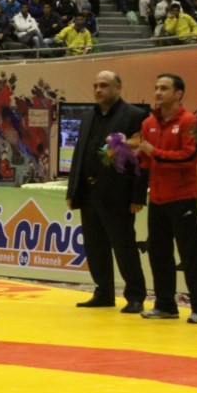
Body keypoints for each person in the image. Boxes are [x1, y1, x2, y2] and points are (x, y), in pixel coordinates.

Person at [66, 71, 148, 312]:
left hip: (118, 194)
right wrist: (72, 190)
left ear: (118, 88)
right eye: (95, 85)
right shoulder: (88, 116)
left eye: (104, 85)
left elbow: (141, 161)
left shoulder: (134, 115)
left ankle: (135, 296)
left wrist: (137, 196)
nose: (98, 90)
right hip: (89, 193)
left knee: (124, 247)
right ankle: (103, 292)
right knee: (95, 247)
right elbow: (79, 154)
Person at [135, 74, 197, 323]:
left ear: (178, 94)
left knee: (190, 254)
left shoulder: (190, 121)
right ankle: (165, 305)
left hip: (183, 197)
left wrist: (155, 152)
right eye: (156, 88)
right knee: (158, 253)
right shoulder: (148, 123)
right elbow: (147, 161)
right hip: (158, 198)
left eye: (164, 88)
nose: (158, 92)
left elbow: (189, 157)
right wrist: (130, 152)